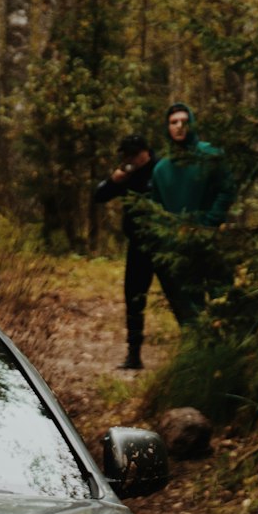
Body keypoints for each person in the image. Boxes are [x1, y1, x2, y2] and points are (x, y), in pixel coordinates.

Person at [147, 101, 236, 324]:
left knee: (223, 299)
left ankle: (226, 351)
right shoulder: (161, 169)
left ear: (193, 125)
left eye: (184, 122)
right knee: (189, 305)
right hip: (180, 246)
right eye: (173, 122)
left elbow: (227, 189)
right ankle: (196, 352)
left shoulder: (211, 155)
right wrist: (169, 236)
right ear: (167, 127)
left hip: (212, 239)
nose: (179, 126)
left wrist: (211, 221)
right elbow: (157, 209)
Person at [94, 132, 156, 371]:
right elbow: (100, 196)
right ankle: (134, 354)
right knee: (134, 296)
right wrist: (115, 180)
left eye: (134, 154)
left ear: (145, 152)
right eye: (127, 155)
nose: (131, 159)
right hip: (137, 245)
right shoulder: (128, 175)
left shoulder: (160, 170)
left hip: (162, 243)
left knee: (176, 293)